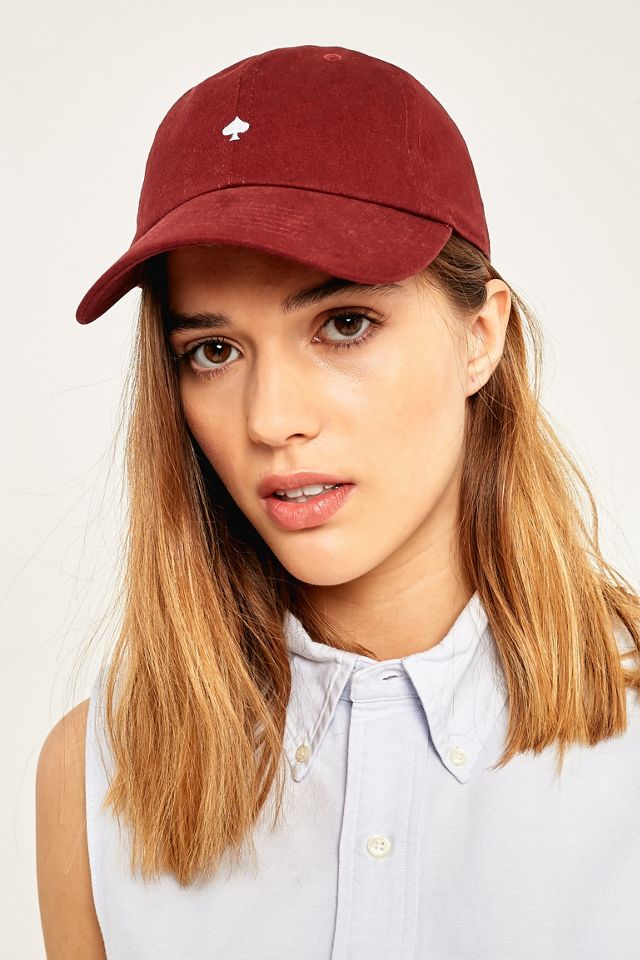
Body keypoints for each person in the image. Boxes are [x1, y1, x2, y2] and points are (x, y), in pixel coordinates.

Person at [35, 43, 640, 960]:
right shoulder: (94, 778)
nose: (271, 419)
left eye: (344, 324)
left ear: (480, 337)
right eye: (212, 351)